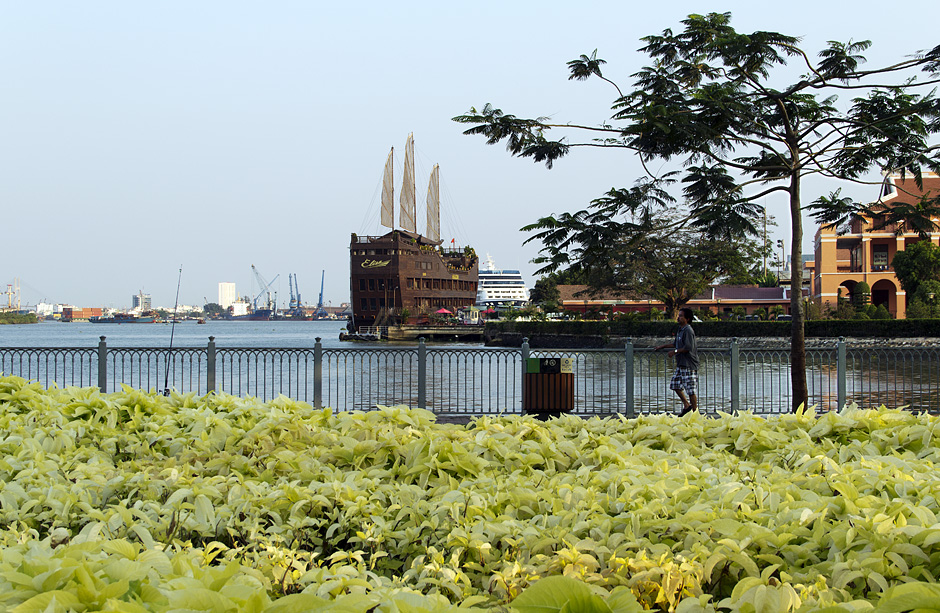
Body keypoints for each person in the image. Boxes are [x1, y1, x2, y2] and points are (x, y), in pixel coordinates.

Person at [655, 307, 699, 416]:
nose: (678, 318)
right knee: (674, 384)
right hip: (681, 364)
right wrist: (663, 346)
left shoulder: (688, 330)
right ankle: (686, 405)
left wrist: (674, 352)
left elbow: (688, 347)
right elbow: (676, 344)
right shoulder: (680, 330)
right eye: (678, 316)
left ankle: (695, 413)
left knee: (691, 390)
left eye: (681, 316)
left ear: (687, 319)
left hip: (688, 364)